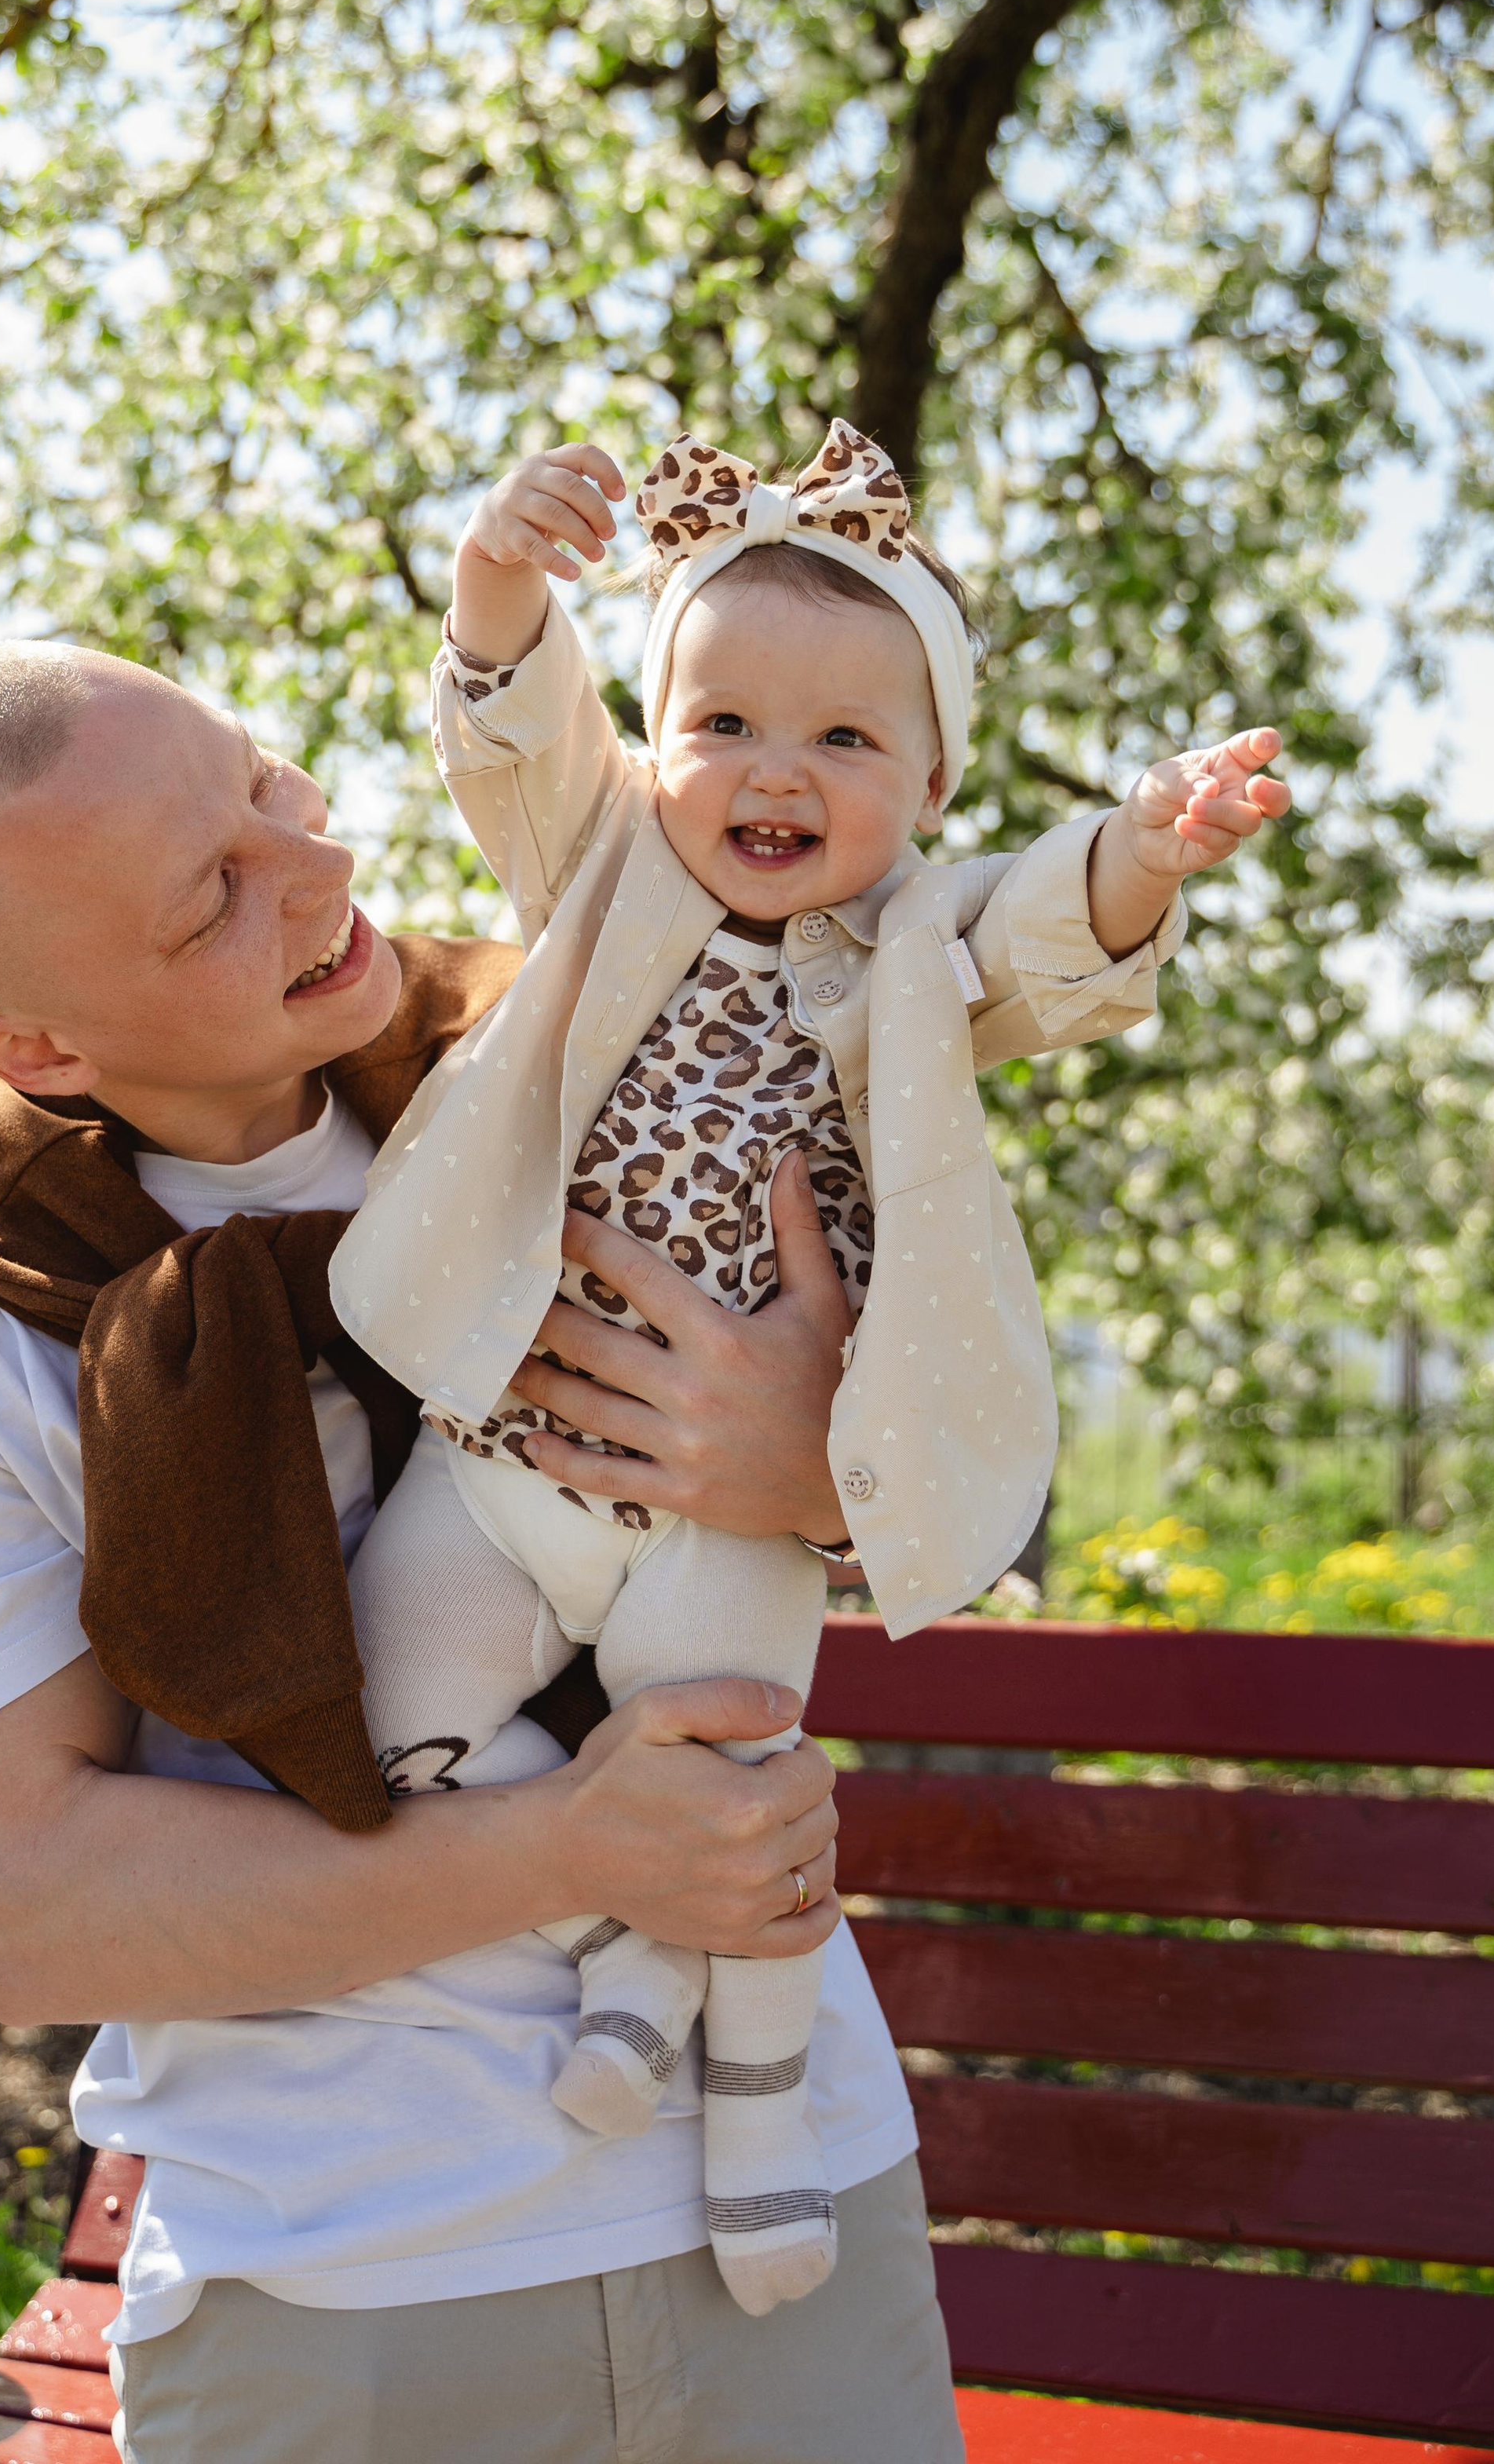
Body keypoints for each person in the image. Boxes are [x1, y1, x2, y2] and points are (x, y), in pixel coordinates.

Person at [0, 629, 955, 2464]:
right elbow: (31, 1907)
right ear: (32, 1042)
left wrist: (819, 1473)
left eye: (271, 788)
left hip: (796, 2205)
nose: (321, 873)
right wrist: (571, 1844)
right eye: (212, 901)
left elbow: (973, 1477)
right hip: (347, 2291)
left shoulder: (601, 1034)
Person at [331, 420, 1290, 2319]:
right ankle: (625, 1947)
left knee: (746, 1796)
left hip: (743, 1504)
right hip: (516, 1450)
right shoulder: (599, 856)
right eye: (724, 726)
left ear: (927, 776)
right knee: (394, 1693)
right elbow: (511, 726)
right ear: (657, 746)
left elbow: (1054, 926)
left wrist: (1142, 843)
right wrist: (499, 578)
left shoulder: (920, 935)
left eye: (845, 741)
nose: (773, 771)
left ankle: (756, 2144)